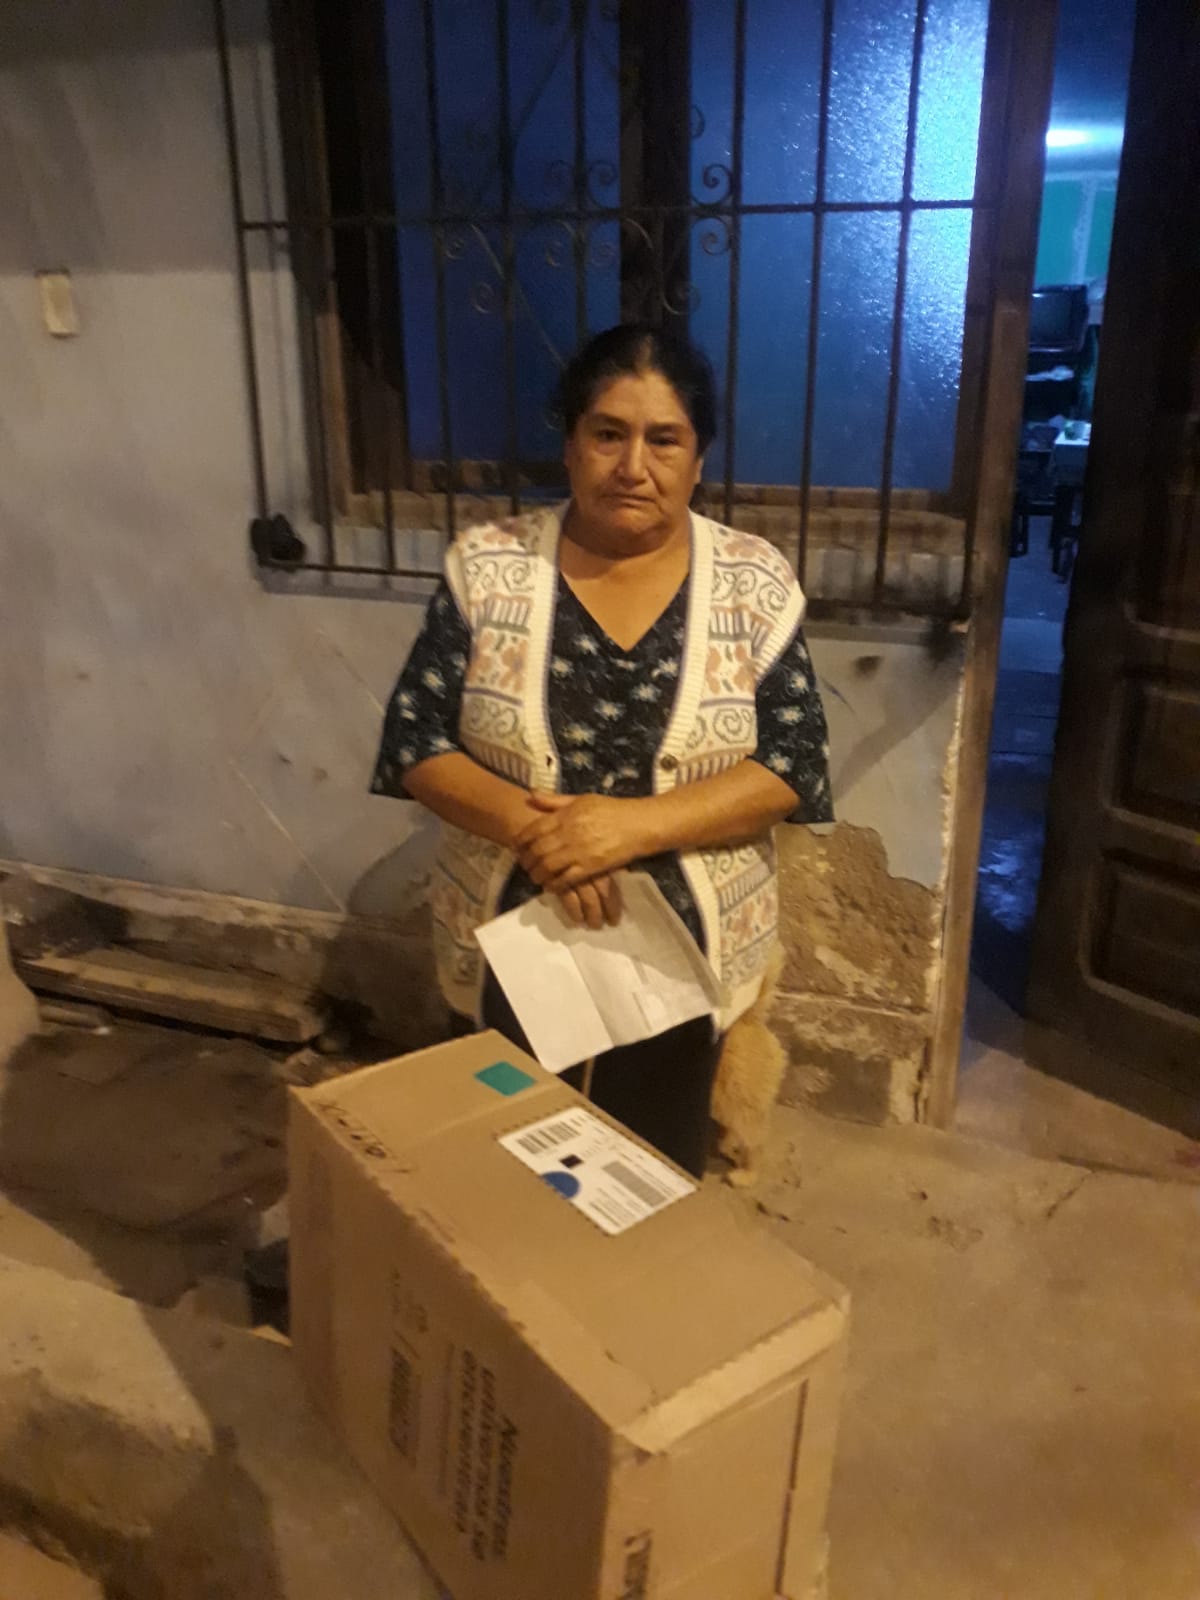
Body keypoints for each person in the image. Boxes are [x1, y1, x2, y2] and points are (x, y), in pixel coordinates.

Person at [372, 323, 832, 1177]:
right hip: (509, 936)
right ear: (570, 444)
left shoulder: (754, 581)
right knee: (504, 1171)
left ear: (699, 458)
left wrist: (627, 831)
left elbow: (791, 765)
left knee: (645, 1177)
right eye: (608, 433)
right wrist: (542, 836)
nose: (633, 465)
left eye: (665, 439)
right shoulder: (489, 565)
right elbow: (415, 739)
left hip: (683, 954)